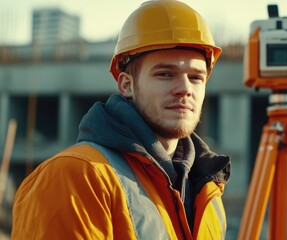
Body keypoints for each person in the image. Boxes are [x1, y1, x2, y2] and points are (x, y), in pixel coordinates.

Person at [11, 1, 231, 239]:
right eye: (165, 74)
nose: (184, 88)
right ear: (127, 84)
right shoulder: (75, 177)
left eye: (196, 77)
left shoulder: (209, 194)